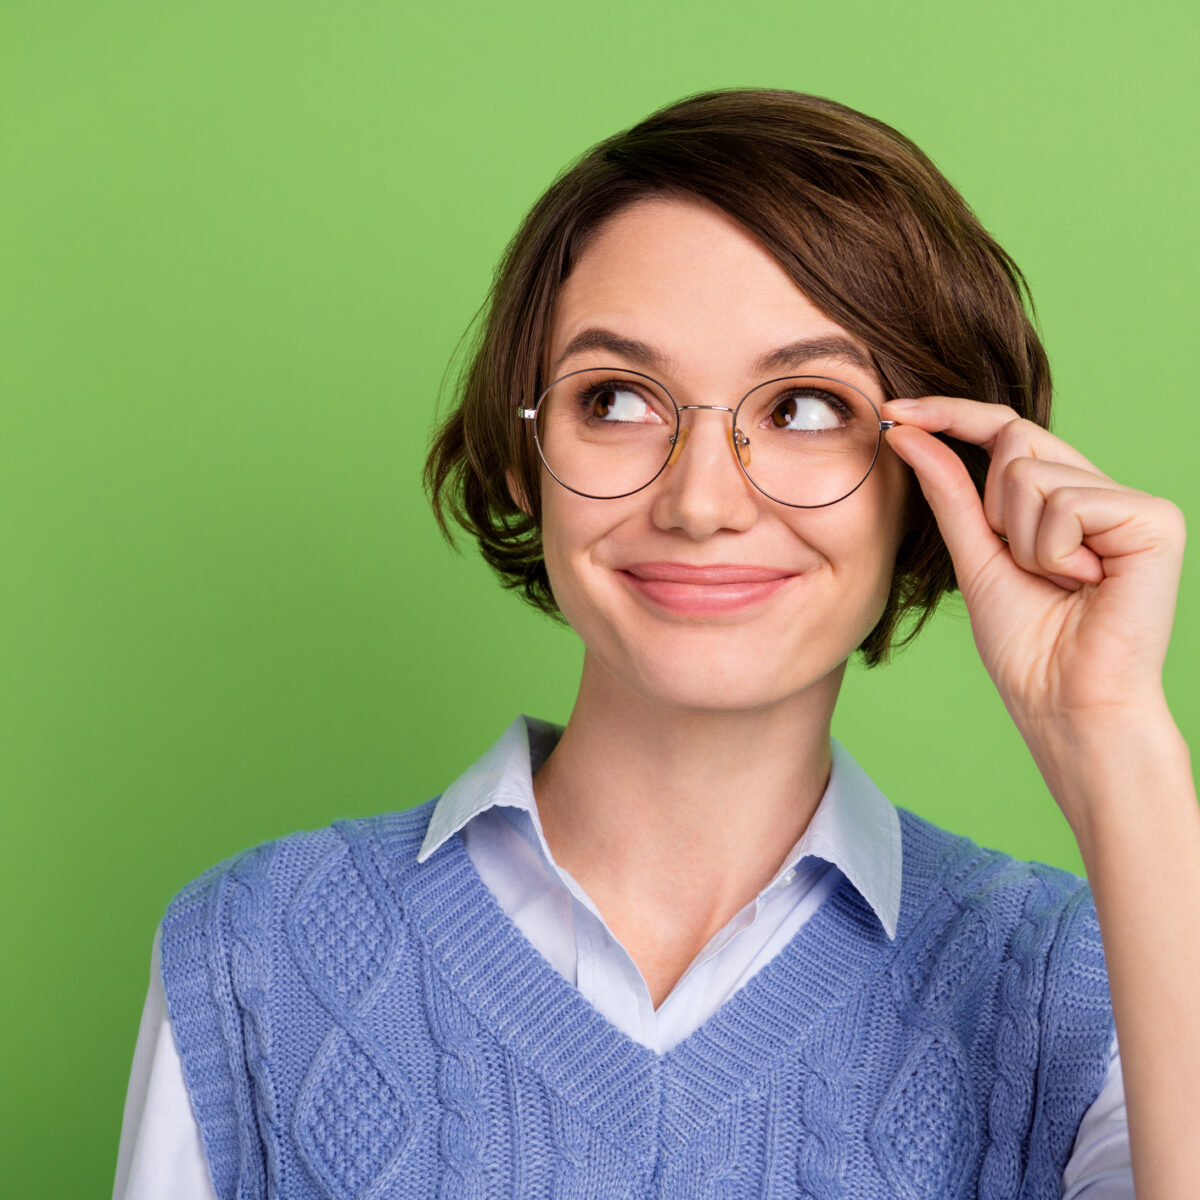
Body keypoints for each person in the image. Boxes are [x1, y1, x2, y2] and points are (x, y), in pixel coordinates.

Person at [114, 89, 1197, 1199]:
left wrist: (1116, 744)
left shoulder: (1089, 986)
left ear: (938, 477)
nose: (700, 502)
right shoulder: (254, 954)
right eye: (620, 398)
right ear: (527, 454)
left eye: (808, 407)